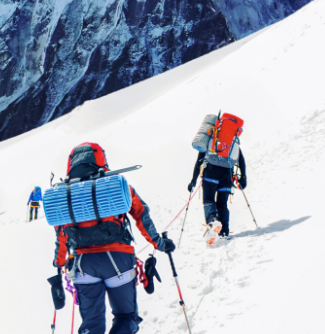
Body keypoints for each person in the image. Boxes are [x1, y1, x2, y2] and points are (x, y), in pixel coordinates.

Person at [53, 143, 175, 334]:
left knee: (91, 326)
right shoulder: (115, 184)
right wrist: (158, 243)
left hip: (84, 264)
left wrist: (59, 263)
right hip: (118, 259)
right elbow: (141, 213)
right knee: (126, 318)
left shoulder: (66, 195)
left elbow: (62, 234)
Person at [188, 133, 247, 240]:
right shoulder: (232, 141)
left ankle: (212, 222)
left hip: (210, 173)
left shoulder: (210, 138)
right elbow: (241, 160)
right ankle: (224, 232)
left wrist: (193, 180)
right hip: (226, 176)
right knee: (222, 204)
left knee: (208, 200)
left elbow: (199, 161)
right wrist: (243, 178)